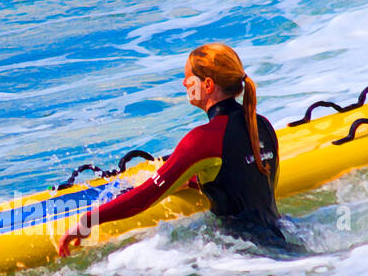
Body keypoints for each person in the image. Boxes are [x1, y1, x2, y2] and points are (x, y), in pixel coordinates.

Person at [57, 43, 285, 256]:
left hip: (243, 254)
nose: (184, 84)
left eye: (188, 78)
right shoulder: (262, 125)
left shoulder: (203, 139)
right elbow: (245, 180)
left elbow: (145, 197)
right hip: (279, 237)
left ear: (207, 85)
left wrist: (89, 219)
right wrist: (197, 181)